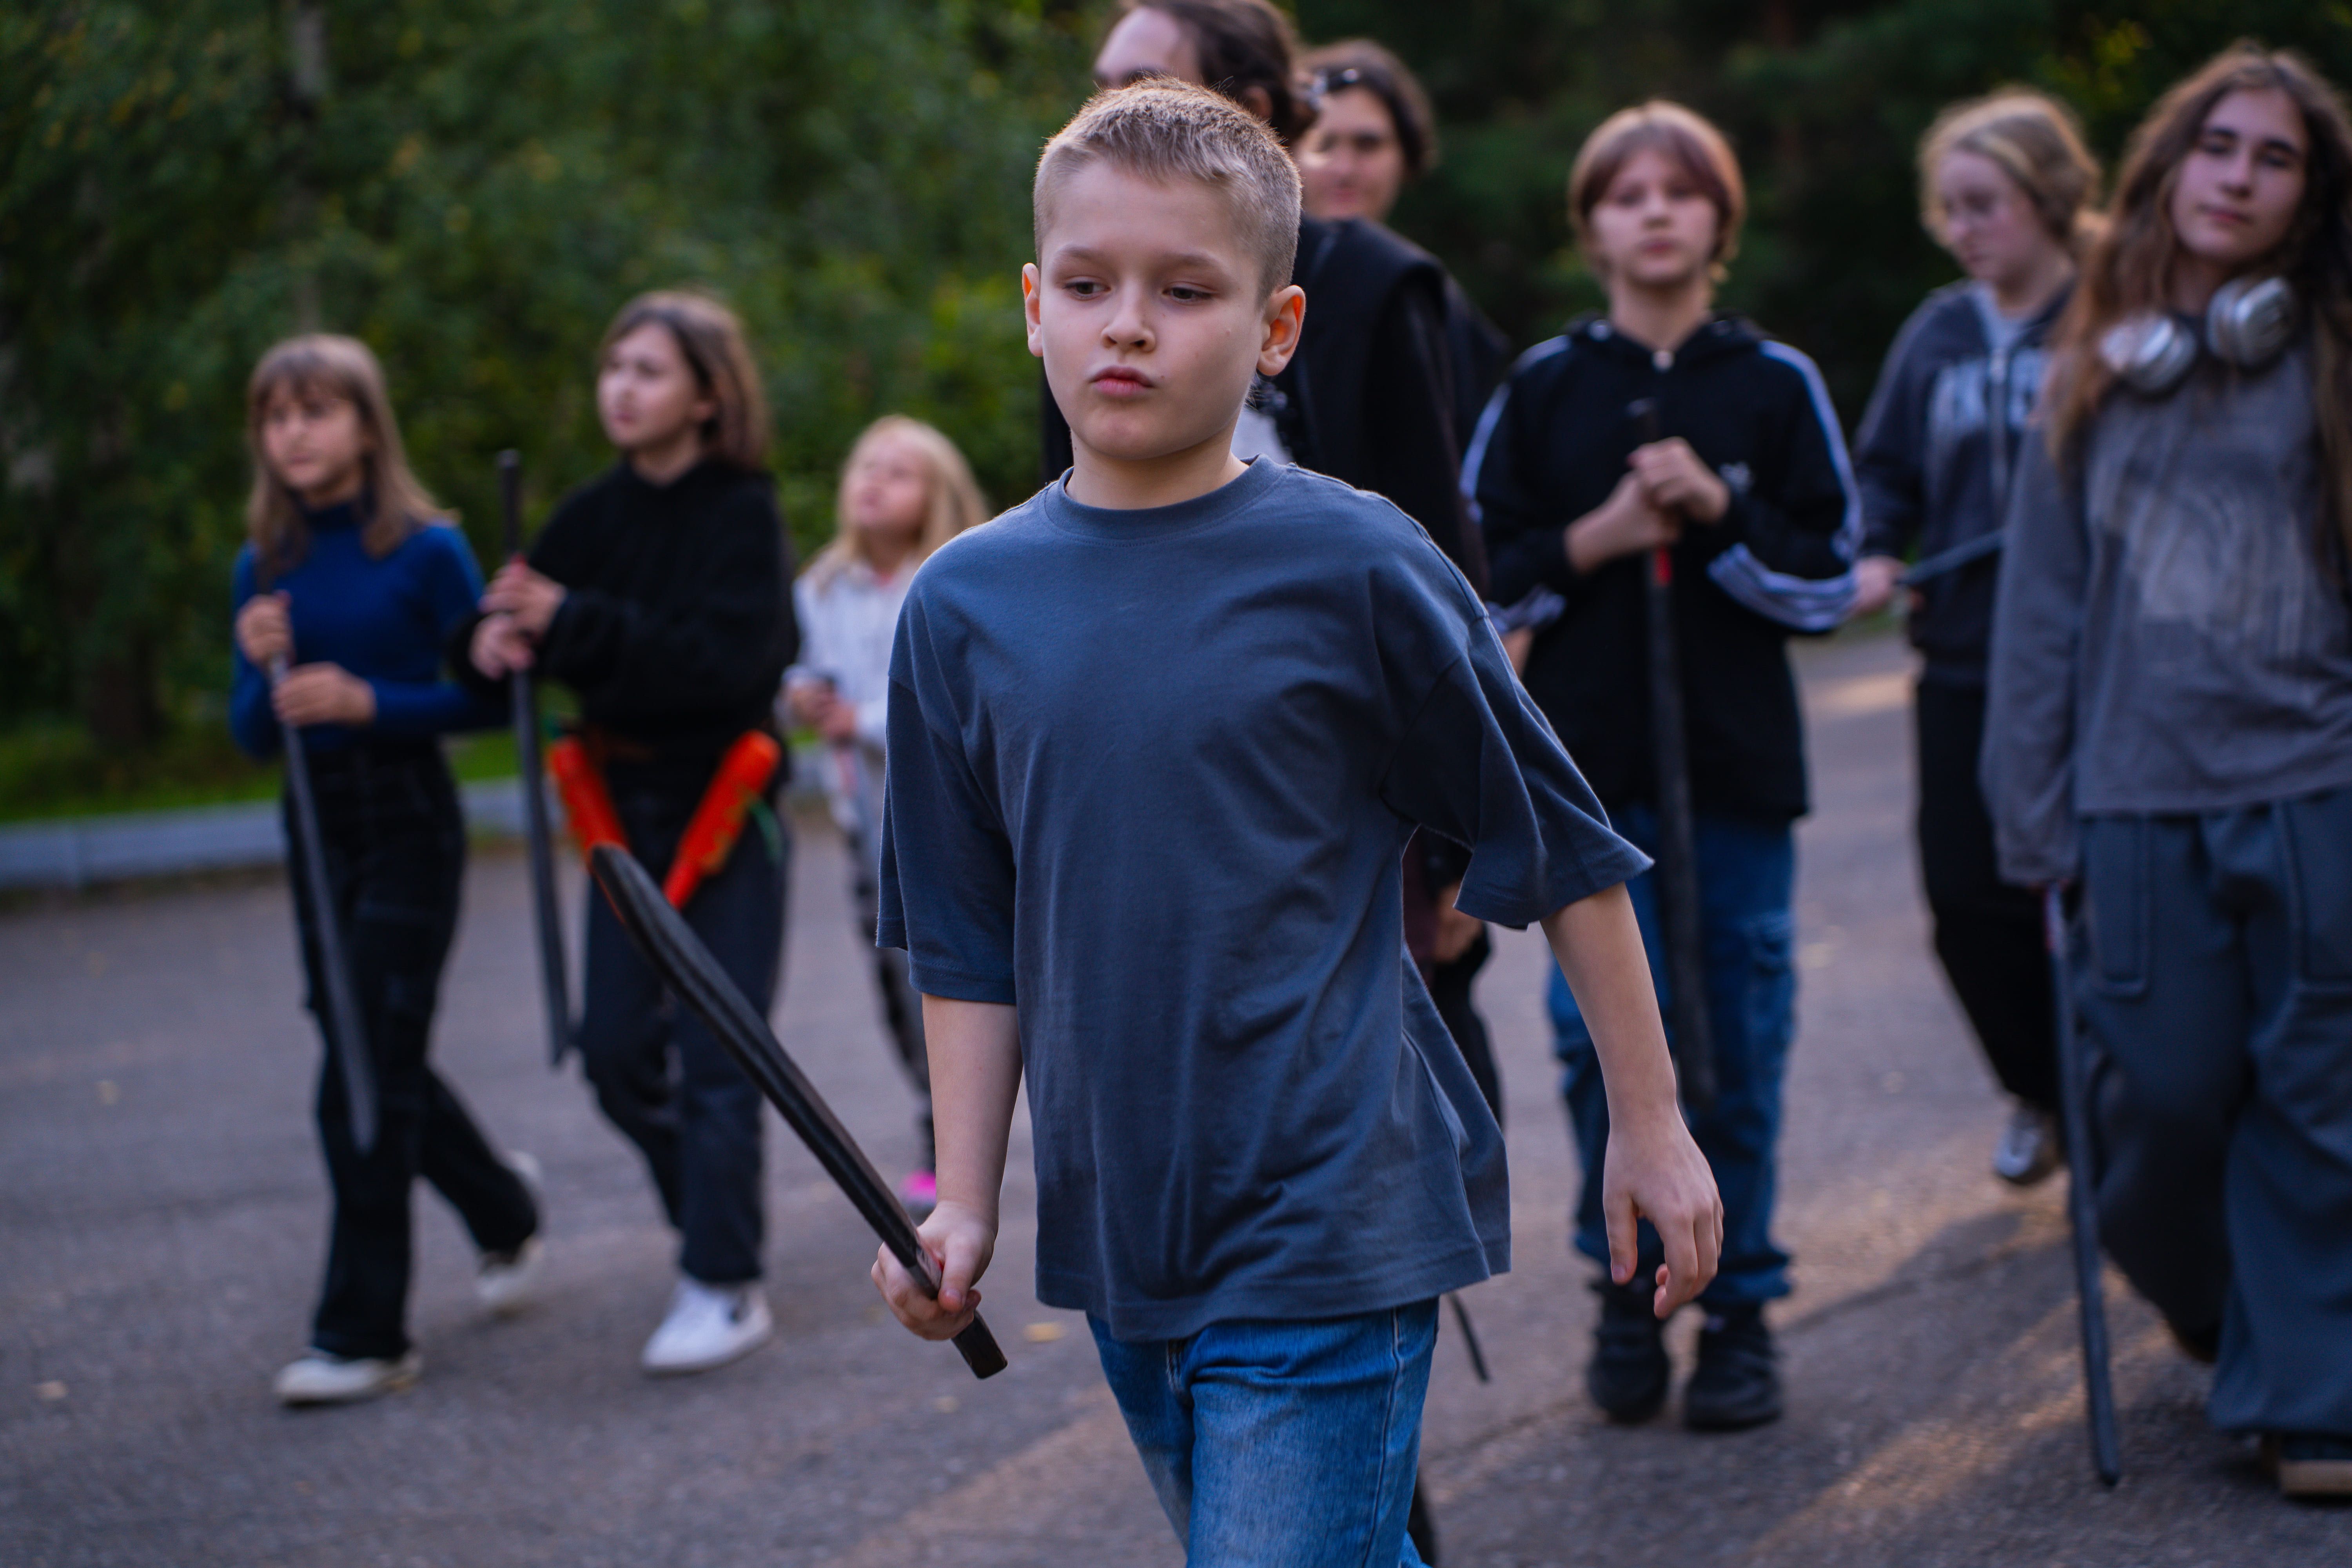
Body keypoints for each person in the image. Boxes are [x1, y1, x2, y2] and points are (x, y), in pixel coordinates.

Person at [871, 82, 1722, 1566]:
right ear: (1032, 307)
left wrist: (1649, 1127)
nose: (1127, 326)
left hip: (1335, 1209)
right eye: (1087, 285)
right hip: (1124, 1233)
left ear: (1275, 331)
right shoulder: (959, 606)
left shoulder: (1355, 564)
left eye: (1183, 290)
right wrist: (966, 1202)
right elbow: (964, 938)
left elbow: (1562, 851)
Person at [1984, 44, 2352, 1501]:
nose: (2239, 178)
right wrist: (2027, 808)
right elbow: (2037, 608)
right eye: (2219, 146)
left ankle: (2310, 1398)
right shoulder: (2091, 370)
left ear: (2307, 199)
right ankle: (2222, 1311)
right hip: (2132, 802)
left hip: (2312, 781)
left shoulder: (2329, 359)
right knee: (2162, 1097)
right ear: (2168, 166)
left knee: (2316, 1101)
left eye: (2276, 158)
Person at [1467, 102, 1858, 1433]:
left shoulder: (1773, 383)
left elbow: (1831, 579)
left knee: (1736, 1035)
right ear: (1591, 227)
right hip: (1586, 789)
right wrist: (1602, 536)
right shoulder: (1545, 388)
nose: (1654, 213)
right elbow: (1474, 580)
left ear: (1719, 221)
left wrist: (1720, 512)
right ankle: (1627, 1289)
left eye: (1680, 192)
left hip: (1735, 778)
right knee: (1599, 1051)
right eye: (1626, 194)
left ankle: (1739, 1303)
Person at [461, 290, 798, 1377]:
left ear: (706, 395)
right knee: (611, 1052)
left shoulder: (743, 514)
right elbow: (515, 640)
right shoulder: (588, 517)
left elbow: (727, 663)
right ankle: (707, 1213)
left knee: (717, 1050)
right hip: (621, 816)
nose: (622, 388)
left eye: (649, 370)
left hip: (728, 809)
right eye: (614, 367)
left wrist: (574, 623)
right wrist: (491, 644)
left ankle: (723, 1282)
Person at [230, 334, 542, 1407]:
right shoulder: (261, 565)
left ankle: (364, 1332)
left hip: (407, 813)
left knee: (361, 1068)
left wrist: (371, 702)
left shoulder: (426, 550)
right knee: (367, 1040)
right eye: (277, 417)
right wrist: (256, 663)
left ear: (367, 426)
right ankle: (503, 1208)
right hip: (315, 821)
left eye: (317, 411)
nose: (295, 434)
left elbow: (489, 698)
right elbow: (251, 735)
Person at [1847, 92, 2102, 1187]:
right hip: (1960, 662)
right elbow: (1885, 470)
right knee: (1965, 901)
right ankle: (2040, 1089)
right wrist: (1874, 549)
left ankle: (2119, 1098)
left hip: (2095, 668)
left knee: (2100, 896)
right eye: (1949, 209)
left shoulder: (2113, 316)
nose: (1963, 229)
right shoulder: (1939, 332)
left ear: (2049, 198)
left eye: (1984, 204)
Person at [1072, 0, 1486, 592]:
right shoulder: (1080, 290)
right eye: (1101, 89)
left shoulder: (1372, 283)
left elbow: (1436, 559)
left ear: (1251, 111)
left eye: (1143, 88)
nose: (1107, 116)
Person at [784, 415, 988, 1218]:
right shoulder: (821, 585)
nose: (874, 482)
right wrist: (803, 696)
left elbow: (953, 696)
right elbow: (809, 672)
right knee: (891, 986)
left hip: (942, 822)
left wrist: (861, 721)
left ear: (938, 494)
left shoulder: (952, 579)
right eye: (866, 466)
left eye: (899, 473)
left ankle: (954, 1138)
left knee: (944, 979)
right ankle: (934, 1115)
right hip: (863, 825)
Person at [1297, 38, 1513, 445]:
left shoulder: (1435, 301)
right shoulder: (1243, 286)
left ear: (1407, 155)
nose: (1344, 169)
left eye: (1368, 144)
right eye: (1323, 144)